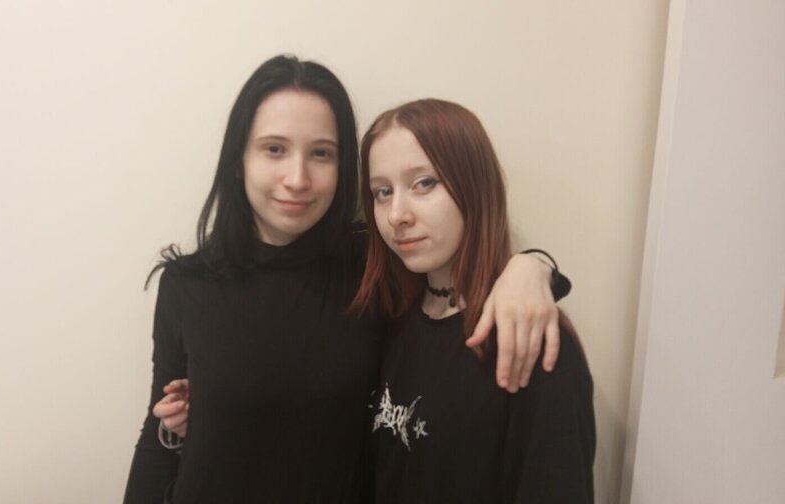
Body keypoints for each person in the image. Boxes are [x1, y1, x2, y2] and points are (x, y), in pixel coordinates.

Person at [123, 56, 568, 504]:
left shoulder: (374, 266)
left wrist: (531, 267)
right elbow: (160, 436)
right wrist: (186, 421)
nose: (297, 179)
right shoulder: (187, 283)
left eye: (321, 153)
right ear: (239, 159)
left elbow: (452, 283)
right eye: (274, 149)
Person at [352, 98, 595, 503]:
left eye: (424, 183)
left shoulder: (530, 340)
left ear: (474, 185)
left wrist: (532, 266)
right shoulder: (389, 320)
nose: (396, 214)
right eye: (382, 192)